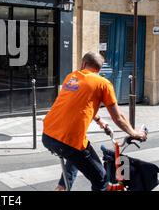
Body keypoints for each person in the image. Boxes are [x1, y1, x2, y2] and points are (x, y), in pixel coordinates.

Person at [42, 52, 147, 191]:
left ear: (83, 64)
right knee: (101, 179)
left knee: (74, 159)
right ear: (99, 68)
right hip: (68, 139)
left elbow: (76, 103)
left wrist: (98, 119)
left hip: (47, 134)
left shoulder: (72, 76)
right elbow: (118, 117)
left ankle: (61, 188)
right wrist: (134, 133)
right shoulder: (103, 83)